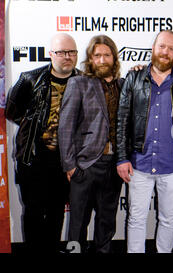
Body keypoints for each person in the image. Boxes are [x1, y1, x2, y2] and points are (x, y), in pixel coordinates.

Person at [116, 30, 173, 253]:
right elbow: (122, 120)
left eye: (171, 49)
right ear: (153, 47)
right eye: (162, 46)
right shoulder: (134, 77)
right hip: (139, 164)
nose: (165, 52)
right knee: (136, 219)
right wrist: (122, 158)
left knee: (169, 219)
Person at [5, 33, 79, 253]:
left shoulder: (84, 81)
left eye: (72, 52)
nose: (67, 57)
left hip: (65, 161)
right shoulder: (29, 79)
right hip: (33, 158)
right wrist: (35, 127)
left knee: (57, 213)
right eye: (61, 52)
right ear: (51, 54)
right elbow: (12, 111)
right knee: (33, 213)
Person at [58, 35, 124, 253]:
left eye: (107, 55)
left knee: (106, 225)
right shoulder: (79, 83)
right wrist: (70, 166)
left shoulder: (123, 85)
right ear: (90, 59)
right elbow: (66, 126)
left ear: (114, 58)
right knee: (77, 226)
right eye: (97, 56)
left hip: (113, 166)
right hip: (85, 166)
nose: (102, 60)